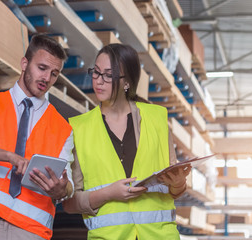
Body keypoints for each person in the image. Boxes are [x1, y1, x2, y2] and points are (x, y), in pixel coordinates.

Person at [63, 43, 191, 239]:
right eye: (96, 72)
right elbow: (70, 203)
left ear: (127, 83)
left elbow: (174, 189)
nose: (99, 81)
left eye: (109, 75)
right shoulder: (79, 128)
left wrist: (179, 183)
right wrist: (108, 194)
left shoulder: (156, 119)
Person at [0, 33, 74, 240]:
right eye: (42, 68)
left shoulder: (63, 128)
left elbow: (68, 183)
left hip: (31, 232)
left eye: (54, 74)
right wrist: (10, 157)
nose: (47, 78)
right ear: (24, 63)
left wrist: (62, 190)